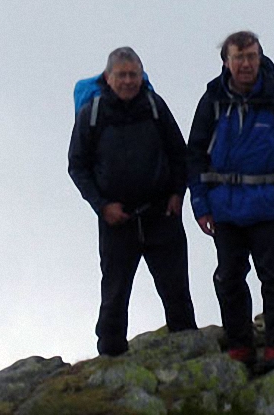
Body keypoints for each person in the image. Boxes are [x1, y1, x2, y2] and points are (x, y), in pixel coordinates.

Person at [187, 31, 274, 370]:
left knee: (273, 278)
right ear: (226, 61)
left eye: (251, 56)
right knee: (229, 277)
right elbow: (195, 155)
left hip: (269, 207)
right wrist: (201, 206)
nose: (246, 64)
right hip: (225, 210)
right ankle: (240, 346)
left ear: (260, 57)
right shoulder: (212, 100)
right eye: (239, 57)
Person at [68, 47, 197, 356]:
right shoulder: (92, 114)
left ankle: (192, 353)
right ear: (108, 77)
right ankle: (110, 358)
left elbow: (181, 155)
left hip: (161, 217)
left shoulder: (155, 106)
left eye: (133, 75)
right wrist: (102, 206)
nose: (128, 81)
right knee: (114, 294)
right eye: (122, 75)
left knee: (176, 291)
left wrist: (178, 195)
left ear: (142, 76)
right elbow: (77, 166)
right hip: (117, 221)